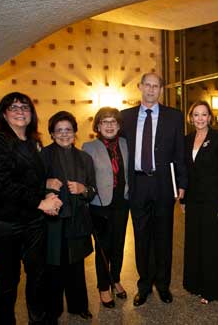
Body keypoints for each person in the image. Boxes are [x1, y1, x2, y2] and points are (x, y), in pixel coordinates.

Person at [0, 92, 63, 325]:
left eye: (25, 107)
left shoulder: (33, 142)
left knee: (37, 276)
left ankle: (38, 320)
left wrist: (46, 188)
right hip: (1, 224)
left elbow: (31, 179)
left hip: (32, 222)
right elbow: (1, 184)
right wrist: (40, 202)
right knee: (8, 280)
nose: (20, 111)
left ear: (32, 113)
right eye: (13, 107)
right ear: (4, 114)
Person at [120, 72, 187, 307]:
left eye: (155, 86)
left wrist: (182, 184)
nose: (151, 89)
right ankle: (144, 285)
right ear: (139, 87)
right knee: (141, 238)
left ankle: (163, 284)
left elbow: (180, 153)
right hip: (137, 184)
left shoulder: (174, 117)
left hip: (163, 185)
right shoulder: (124, 117)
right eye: (147, 85)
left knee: (163, 237)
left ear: (161, 89)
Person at [40, 111, 96, 322]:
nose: (64, 134)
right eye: (59, 130)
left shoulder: (84, 158)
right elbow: (29, 186)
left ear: (75, 133)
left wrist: (83, 189)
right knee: (53, 266)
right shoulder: (43, 155)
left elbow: (92, 191)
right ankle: (52, 310)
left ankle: (79, 305)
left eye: (68, 130)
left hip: (77, 220)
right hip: (51, 222)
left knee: (76, 265)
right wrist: (45, 184)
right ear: (52, 134)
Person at [181, 101, 218, 304]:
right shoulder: (186, 140)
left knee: (212, 243)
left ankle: (212, 289)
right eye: (196, 115)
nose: (200, 118)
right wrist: (182, 199)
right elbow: (184, 171)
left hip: (214, 199)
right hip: (193, 200)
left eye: (204, 115)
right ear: (191, 118)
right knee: (195, 242)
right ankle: (195, 284)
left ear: (210, 117)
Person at [82, 107, 129, 309]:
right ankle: (103, 286)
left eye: (113, 122)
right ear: (98, 126)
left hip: (122, 203)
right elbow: (84, 177)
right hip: (100, 205)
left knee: (118, 244)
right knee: (104, 247)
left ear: (118, 125)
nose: (109, 125)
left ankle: (115, 278)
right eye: (105, 122)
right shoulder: (89, 147)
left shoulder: (126, 144)